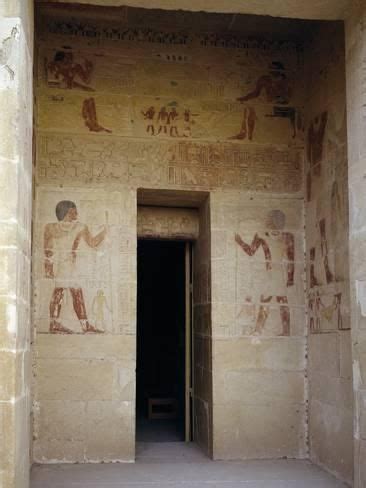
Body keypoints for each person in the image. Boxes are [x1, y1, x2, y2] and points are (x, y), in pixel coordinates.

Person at [44, 200, 107, 334]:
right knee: (73, 291)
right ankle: (82, 325)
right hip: (68, 266)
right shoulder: (79, 227)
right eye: (74, 210)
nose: (77, 212)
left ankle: (56, 324)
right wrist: (105, 232)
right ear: (68, 212)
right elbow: (93, 243)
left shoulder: (50, 227)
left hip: (62, 265)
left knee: (62, 291)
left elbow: (47, 251)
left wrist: (48, 269)